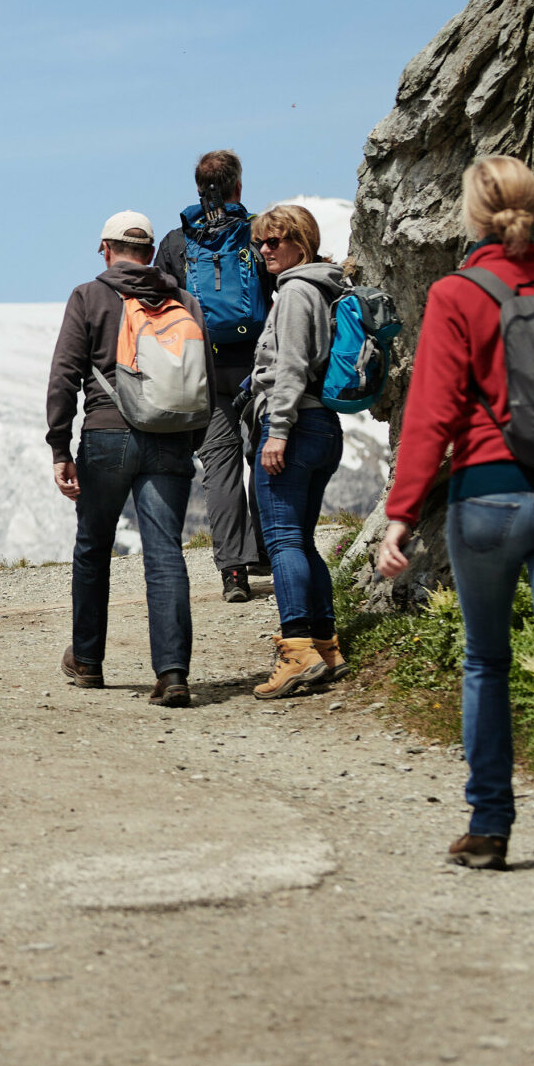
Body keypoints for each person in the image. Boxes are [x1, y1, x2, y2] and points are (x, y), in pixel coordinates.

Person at [375, 156, 534, 870]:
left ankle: (489, 826)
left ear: (473, 216)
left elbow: (432, 413)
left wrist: (401, 514)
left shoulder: (458, 293)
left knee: (486, 659)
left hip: (486, 500)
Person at [47, 211, 203, 705]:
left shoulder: (88, 296)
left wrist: (59, 446)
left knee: (94, 547)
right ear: (151, 253)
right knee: (165, 553)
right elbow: (201, 376)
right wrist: (189, 439)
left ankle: (88, 661)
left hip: (107, 435)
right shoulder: (184, 301)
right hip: (170, 437)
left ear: (105, 250)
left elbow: (64, 375)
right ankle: (172, 674)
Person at [156, 150, 275, 602]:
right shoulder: (258, 234)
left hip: (204, 370)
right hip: (257, 366)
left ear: (197, 188)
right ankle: (268, 549)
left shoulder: (176, 242)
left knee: (220, 469)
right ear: (238, 187)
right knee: (265, 454)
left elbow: (162, 306)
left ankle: (234, 573)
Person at [245, 203, 350, 699]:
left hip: (293, 424)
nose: (265, 250)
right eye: (260, 242)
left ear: (300, 243)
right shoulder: (327, 288)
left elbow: (290, 367)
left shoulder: (294, 292)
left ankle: (297, 651)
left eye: (275, 241)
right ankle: (327, 646)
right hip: (324, 426)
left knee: (283, 540)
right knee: (302, 540)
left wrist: (278, 431)